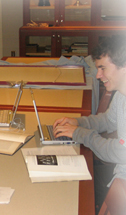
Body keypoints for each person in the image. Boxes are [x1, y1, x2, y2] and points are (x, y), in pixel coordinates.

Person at [52, 35, 126, 213]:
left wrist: (80, 133)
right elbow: (108, 120)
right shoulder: (121, 94)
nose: (98, 75)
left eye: (102, 68)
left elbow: (118, 152)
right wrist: (78, 122)